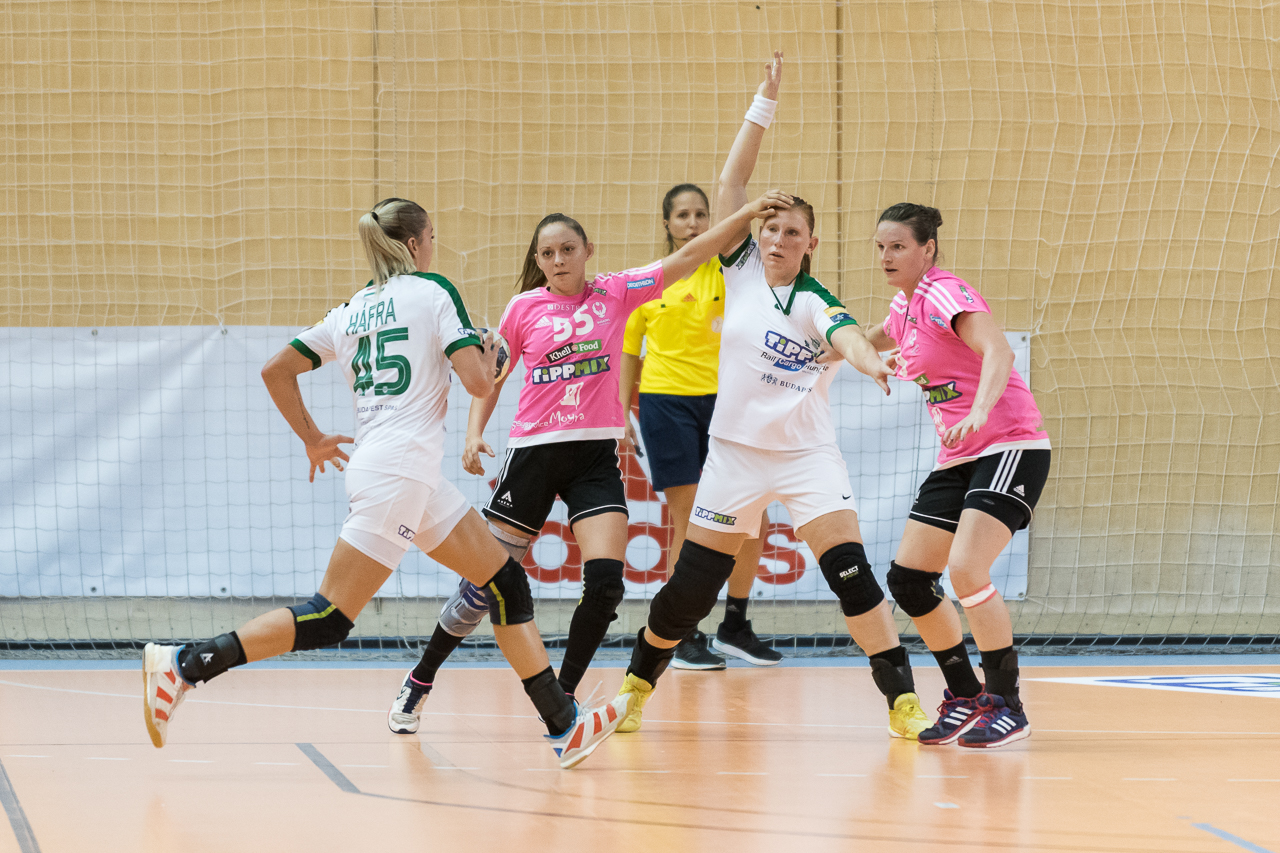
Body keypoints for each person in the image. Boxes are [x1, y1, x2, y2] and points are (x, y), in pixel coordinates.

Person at [141, 198, 630, 769]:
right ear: (417, 243)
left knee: (504, 583)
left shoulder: (351, 309)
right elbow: (480, 383)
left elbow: (276, 369)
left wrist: (313, 439)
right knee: (329, 617)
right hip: (399, 474)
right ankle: (185, 665)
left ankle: (563, 725)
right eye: (432, 237)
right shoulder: (433, 290)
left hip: (403, 472)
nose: (434, 247)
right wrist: (491, 350)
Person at [386, 189, 794, 735]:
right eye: (548, 253)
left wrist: (744, 214)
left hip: (594, 457)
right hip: (533, 456)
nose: (558, 260)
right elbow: (493, 373)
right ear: (538, 261)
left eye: (567, 250)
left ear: (587, 251)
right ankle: (419, 681)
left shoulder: (617, 292)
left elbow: (690, 255)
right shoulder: (523, 308)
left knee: (605, 584)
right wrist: (473, 432)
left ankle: (565, 697)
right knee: (483, 587)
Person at [612, 52, 931, 739]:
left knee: (851, 574)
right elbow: (732, 181)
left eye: (792, 231)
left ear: (811, 242)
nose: (778, 237)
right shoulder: (742, 268)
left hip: (806, 456)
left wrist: (870, 364)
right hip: (734, 455)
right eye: (771, 228)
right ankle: (635, 688)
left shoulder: (814, 299)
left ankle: (903, 701)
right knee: (690, 586)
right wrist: (765, 102)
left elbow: (846, 335)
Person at [864, 202, 1051, 748]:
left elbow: (998, 350)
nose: (887, 256)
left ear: (927, 249)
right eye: (881, 247)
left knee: (967, 569)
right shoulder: (903, 307)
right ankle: (966, 694)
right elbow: (865, 338)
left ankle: (1008, 705)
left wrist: (980, 410)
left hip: (1010, 444)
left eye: (898, 246)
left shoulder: (944, 291)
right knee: (909, 579)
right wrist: (808, 345)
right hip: (960, 458)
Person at [618, 183, 779, 670]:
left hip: (729, 403)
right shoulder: (649, 283)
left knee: (754, 518)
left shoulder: (731, 272)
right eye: (683, 215)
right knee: (690, 521)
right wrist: (621, 411)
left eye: (701, 214)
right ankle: (682, 634)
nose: (693, 223)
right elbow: (628, 352)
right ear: (667, 224)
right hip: (666, 405)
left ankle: (735, 627)